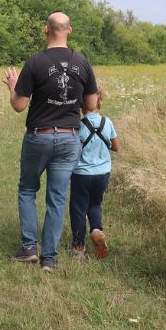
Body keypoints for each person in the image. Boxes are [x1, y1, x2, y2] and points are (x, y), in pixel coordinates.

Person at [3, 12, 98, 272]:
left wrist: (12, 87)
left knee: (27, 189)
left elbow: (19, 105)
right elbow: (91, 106)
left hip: (39, 136)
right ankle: (49, 259)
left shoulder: (35, 63)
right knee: (57, 197)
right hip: (69, 138)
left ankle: (29, 247)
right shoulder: (83, 63)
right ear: (70, 30)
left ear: (46, 30)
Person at [69, 87, 119, 260]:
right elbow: (116, 147)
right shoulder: (108, 122)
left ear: (81, 105)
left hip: (81, 174)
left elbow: (72, 150)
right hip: (102, 173)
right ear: (100, 102)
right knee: (95, 204)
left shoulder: (78, 126)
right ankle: (97, 230)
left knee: (78, 208)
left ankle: (78, 247)